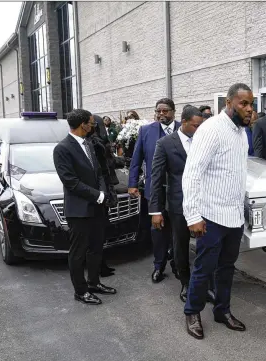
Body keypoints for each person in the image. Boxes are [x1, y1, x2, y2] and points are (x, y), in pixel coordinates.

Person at [182, 83, 253, 340]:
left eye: (251, 104)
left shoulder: (242, 133)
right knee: (203, 268)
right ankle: (192, 312)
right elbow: (192, 174)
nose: (248, 109)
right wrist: (193, 216)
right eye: (243, 103)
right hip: (210, 216)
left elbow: (237, 174)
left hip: (233, 217)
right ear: (229, 102)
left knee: (226, 268)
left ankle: (222, 311)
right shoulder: (211, 129)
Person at [149, 106, 216, 303]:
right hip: (178, 205)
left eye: (201, 125)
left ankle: (207, 284)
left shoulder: (205, 140)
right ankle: (186, 282)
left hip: (205, 203)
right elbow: (157, 177)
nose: (199, 129)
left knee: (207, 245)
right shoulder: (165, 144)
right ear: (184, 122)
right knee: (181, 246)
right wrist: (156, 210)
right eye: (195, 126)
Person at [53, 109, 117, 305]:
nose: (94, 126)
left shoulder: (89, 143)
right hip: (79, 211)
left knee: (97, 248)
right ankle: (80, 291)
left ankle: (94, 283)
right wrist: (98, 195)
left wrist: (104, 195)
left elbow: (98, 172)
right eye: (91, 123)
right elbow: (70, 182)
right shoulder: (62, 149)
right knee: (78, 252)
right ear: (83, 124)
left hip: (97, 207)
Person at [128, 98, 181, 283]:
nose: (161, 114)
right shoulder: (146, 131)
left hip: (178, 191)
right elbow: (136, 159)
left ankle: (177, 262)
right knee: (157, 230)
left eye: (165, 111)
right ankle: (159, 265)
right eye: (158, 111)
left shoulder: (185, 129)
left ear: (174, 112)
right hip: (155, 191)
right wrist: (132, 183)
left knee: (178, 230)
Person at [89, 115, 120, 277]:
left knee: (101, 231)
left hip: (103, 190)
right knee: (98, 232)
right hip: (101, 191)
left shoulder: (97, 142)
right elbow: (105, 166)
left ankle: (101, 264)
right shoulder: (96, 143)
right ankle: (99, 266)